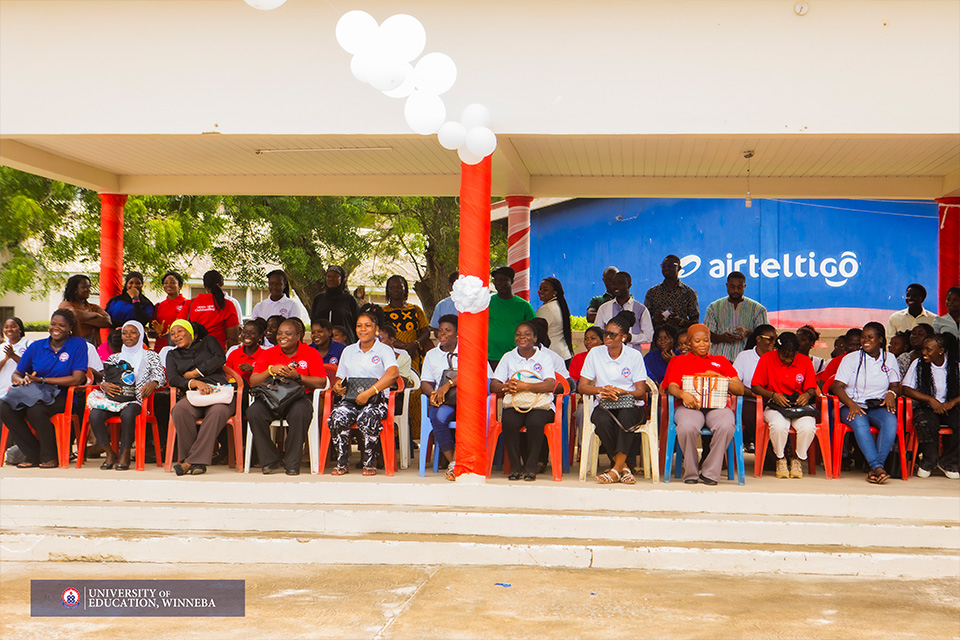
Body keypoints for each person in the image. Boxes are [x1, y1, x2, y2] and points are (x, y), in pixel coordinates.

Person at [0, 309, 88, 468]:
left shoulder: (78, 344)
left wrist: (43, 379)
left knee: (35, 410)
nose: (56, 327)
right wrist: (20, 381)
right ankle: (33, 453)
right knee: (3, 406)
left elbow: (78, 378)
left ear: (70, 327)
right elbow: (17, 373)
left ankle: (49, 457)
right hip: (34, 393)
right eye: (53, 324)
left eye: (61, 325)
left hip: (62, 395)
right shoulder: (37, 346)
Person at [662, 323, 746, 485]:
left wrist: (722, 379)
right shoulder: (679, 361)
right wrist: (682, 394)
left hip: (716, 407)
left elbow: (740, 389)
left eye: (706, 341)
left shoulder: (721, 361)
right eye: (697, 341)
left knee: (726, 425)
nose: (702, 344)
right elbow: (671, 385)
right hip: (689, 406)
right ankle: (691, 472)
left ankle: (710, 472)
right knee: (687, 427)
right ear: (689, 344)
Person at [578, 310, 649, 485]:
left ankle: (615, 469)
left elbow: (641, 391)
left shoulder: (634, 355)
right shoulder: (595, 353)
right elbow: (582, 386)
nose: (607, 337)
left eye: (612, 334)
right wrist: (602, 390)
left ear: (623, 337)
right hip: (604, 403)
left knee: (625, 417)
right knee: (600, 419)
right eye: (605, 333)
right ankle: (623, 467)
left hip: (630, 404)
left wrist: (623, 392)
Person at [248, 318, 327, 476]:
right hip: (271, 398)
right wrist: (271, 370)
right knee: (253, 412)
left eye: (288, 334)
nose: (282, 337)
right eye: (280, 334)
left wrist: (298, 377)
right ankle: (270, 461)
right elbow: (253, 380)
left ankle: (292, 463)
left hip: (297, 398)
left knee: (301, 413)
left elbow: (321, 381)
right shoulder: (269, 353)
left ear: (298, 336)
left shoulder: (310, 353)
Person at [328, 310, 399, 476]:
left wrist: (370, 392)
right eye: (359, 326)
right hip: (351, 399)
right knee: (337, 415)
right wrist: (337, 387)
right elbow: (340, 377)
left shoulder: (384, 350)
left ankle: (369, 462)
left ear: (376, 329)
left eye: (367, 325)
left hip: (376, 399)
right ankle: (342, 462)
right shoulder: (349, 351)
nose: (363, 329)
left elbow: (393, 374)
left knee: (367, 416)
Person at [86, 321, 165, 471]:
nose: (128, 336)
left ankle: (125, 453)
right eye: (124, 333)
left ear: (140, 334)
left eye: (133, 332)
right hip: (114, 399)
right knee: (95, 415)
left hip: (137, 399)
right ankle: (110, 453)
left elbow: (160, 375)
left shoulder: (150, 356)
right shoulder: (114, 358)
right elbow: (105, 379)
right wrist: (104, 385)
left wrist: (153, 383)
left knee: (128, 414)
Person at [830, 322, 901, 484]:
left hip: (877, 406)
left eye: (870, 337)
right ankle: (877, 467)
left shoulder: (889, 358)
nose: (865, 341)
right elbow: (837, 386)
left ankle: (876, 468)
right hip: (852, 405)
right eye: (863, 337)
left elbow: (896, 385)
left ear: (881, 340)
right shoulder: (851, 358)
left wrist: (891, 393)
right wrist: (851, 404)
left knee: (890, 421)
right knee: (860, 423)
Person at [165, 319, 234, 476]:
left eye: (179, 331)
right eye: (172, 334)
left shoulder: (208, 342)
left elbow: (219, 358)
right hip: (194, 394)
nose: (176, 336)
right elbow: (174, 379)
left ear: (190, 332)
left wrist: (197, 372)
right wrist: (194, 382)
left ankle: (189, 462)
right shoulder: (172, 354)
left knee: (216, 413)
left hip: (218, 393)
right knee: (179, 410)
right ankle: (197, 463)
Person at [490, 322, 557, 481]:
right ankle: (515, 467)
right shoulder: (508, 357)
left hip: (541, 405)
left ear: (534, 338)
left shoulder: (544, 357)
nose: (522, 337)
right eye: (518, 334)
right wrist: (507, 386)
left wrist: (525, 385)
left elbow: (550, 384)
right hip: (516, 402)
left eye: (527, 334)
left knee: (535, 422)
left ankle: (531, 467)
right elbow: (494, 385)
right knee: (509, 421)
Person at [751, 332, 820, 479]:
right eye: (784, 356)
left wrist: (807, 395)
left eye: (791, 356)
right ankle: (781, 458)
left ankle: (797, 459)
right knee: (778, 426)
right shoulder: (767, 359)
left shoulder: (805, 361)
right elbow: (755, 386)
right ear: (777, 349)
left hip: (798, 405)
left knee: (808, 427)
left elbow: (811, 388)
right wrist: (773, 395)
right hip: (775, 405)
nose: (788, 360)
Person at [902, 333, 959, 478]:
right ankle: (929, 461)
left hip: (949, 407)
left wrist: (952, 403)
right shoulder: (918, 364)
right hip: (925, 407)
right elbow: (906, 389)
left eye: (929, 350)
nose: (924, 353)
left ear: (941, 351)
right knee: (925, 422)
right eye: (924, 349)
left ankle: (948, 462)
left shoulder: (955, 366)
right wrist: (930, 400)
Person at [420, 314, 461, 480]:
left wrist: (447, 385)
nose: (442, 334)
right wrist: (434, 394)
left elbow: (476, 374)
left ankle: (460, 459)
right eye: (440, 330)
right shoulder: (432, 355)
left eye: (448, 330)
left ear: (458, 332)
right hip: (445, 401)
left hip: (466, 400)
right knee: (437, 416)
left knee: (468, 418)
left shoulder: (468, 349)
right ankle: (453, 463)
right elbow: (425, 383)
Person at [704, 271, 768, 363]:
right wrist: (722, 338)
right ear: (727, 285)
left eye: (739, 287)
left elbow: (764, 336)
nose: (735, 291)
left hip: (747, 362)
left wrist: (747, 332)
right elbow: (707, 335)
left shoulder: (758, 309)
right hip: (719, 361)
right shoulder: (714, 307)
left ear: (744, 286)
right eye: (732, 287)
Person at [178, 270, 241, 351]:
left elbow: (179, 326)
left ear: (204, 285)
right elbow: (232, 339)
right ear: (222, 284)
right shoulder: (227, 304)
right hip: (217, 353)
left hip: (194, 353)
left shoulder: (190, 303)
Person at [487, 266, 536, 367]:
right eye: (496, 280)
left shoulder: (523, 305)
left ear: (512, 281)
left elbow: (535, 328)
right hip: (490, 357)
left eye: (503, 280)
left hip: (516, 357)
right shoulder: (487, 302)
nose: (499, 283)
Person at [382, 274, 431, 372]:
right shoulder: (382, 312)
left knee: (415, 381)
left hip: (415, 353)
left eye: (399, 287)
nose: (396, 290)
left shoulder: (416, 309)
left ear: (405, 289)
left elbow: (426, 331)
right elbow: (381, 335)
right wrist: (404, 347)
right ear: (388, 290)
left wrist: (415, 344)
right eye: (392, 287)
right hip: (393, 354)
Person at [594, 271, 654, 351]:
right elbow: (597, 333)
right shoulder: (604, 308)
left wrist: (631, 337)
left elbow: (649, 336)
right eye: (614, 283)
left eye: (620, 283)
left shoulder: (641, 309)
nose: (616, 286)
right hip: (608, 356)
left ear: (629, 285)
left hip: (632, 357)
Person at [644, 254, 700, 330]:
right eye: (663, 266)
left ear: (679, 268)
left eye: (671, 265)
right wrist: (655, 320)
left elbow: (695, 322)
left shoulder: (689, 293)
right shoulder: (652, 292)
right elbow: (644, 321)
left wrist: (680, 321)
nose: (666, 268)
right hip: (659, 340)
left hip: (680, 339)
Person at [310, 265, 360, 344]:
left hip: (345, 344)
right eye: (328, 276)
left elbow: (356, 323)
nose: (331, 279)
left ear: (342, 279)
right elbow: (313, 321)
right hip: (322, 345)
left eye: (335, 276)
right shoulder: (319, 299)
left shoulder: (349, 300)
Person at [59, 274, 111, 345]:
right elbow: (74, 313)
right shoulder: (65, 304)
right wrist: (95, 315)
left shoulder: (94, 307)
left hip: (94, 347)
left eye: (89, 287)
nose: (88, 290)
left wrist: (81, 319)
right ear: (75, 290)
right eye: (84, 287)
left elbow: (107, 321)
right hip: (75, 347)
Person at [536, 277, 574, 364]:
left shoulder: (546, 309)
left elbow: (537, 333)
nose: (540, 291)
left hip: (552, 357)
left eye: (545, 290)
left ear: (554, 293)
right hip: (564, 354)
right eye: (540, 288)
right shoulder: (559, 305)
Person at [151, 271, 187, 352]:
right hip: (160, 349)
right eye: (165, 283)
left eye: (172, 282)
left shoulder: (187, 304)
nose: (168, 285)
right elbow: (151, 332)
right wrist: (158, 333)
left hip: (181, 349)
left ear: (179, 285)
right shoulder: (158, 306)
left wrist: (172, 333)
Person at [226, 319, 266, 387]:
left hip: (258, 393)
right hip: (237, 392)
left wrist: (253, 370)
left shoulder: (266, 355)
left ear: (260, 336)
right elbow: (227, 375)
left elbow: (269, 378)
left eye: (252, 333)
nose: (247, 335)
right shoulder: (234, 353)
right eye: (245, 332)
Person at [0, 317, 31, 399]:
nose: (9, 329)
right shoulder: (1, 347)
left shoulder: (29, 344)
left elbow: (30, 367)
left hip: (21, 391)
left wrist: (13, 356)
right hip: (2, 391)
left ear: (20, 329)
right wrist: (5, 359)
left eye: (13, 326)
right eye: (6, 327)